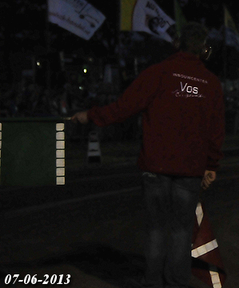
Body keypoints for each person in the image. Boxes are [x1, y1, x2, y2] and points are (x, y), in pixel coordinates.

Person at [71, 22, 225, 288]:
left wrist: (90, 116)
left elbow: (123, 107)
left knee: (156, 228)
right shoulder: (210, 83)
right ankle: (176, 282)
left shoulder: (159, 73)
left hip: (156, 166)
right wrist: (212, 164)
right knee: (181, 229)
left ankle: (152, 281)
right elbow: (216, 129)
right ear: (203, 49)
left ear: (177, 44)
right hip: (190, 169)